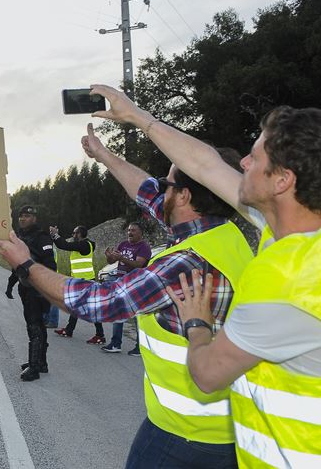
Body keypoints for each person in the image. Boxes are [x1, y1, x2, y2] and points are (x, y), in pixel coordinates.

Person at [0, 128, 253, 468]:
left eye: (165, 182)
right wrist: (103, 154)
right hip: (224, 426)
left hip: (189, 432)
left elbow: (101, 302)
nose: (157, 190)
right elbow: (148, 196)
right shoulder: (222, 235)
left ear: (183, 196)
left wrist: (25, 264)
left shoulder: (186, 262)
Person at [91, 84, 321, 467]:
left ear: (282, 181)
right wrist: (137, 117)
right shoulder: (285, 226)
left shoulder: (293, 283)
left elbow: (209, 374)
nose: (243, 163)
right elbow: (204, 164)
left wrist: (197, 323)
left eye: (254, 156)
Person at [9, 205, 57, 381]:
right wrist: (11, 283)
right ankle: (40, 362)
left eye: (27, 216)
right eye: (21, 216)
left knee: (35, 326)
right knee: (37, 325)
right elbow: (17, 264)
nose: (23, 219)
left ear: (34, 218)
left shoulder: (41, 237)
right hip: (26, 288)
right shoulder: (21, 237)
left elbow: (51, 265)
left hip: (37, 290)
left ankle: (34, 367)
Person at [51, 225, 106, 344]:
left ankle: (100, 335)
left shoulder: (84, 245)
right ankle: (70, 330)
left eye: (74, 233)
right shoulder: (87, 245)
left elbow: (64, 245)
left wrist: (55, 235)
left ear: (80, 234)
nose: (73, 235)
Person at [102, 222, 151, 355]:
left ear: (140, 233)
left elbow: (139, 265)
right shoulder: (123, 244)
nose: (130, 232)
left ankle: (140, 347)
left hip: (135, 285)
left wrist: (121, 257)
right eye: (129, 230)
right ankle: (115, 343)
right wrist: (109, 256)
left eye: (133, 230)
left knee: (136, 317)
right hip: (120, 282)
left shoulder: (144, 247)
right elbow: (112, 261)